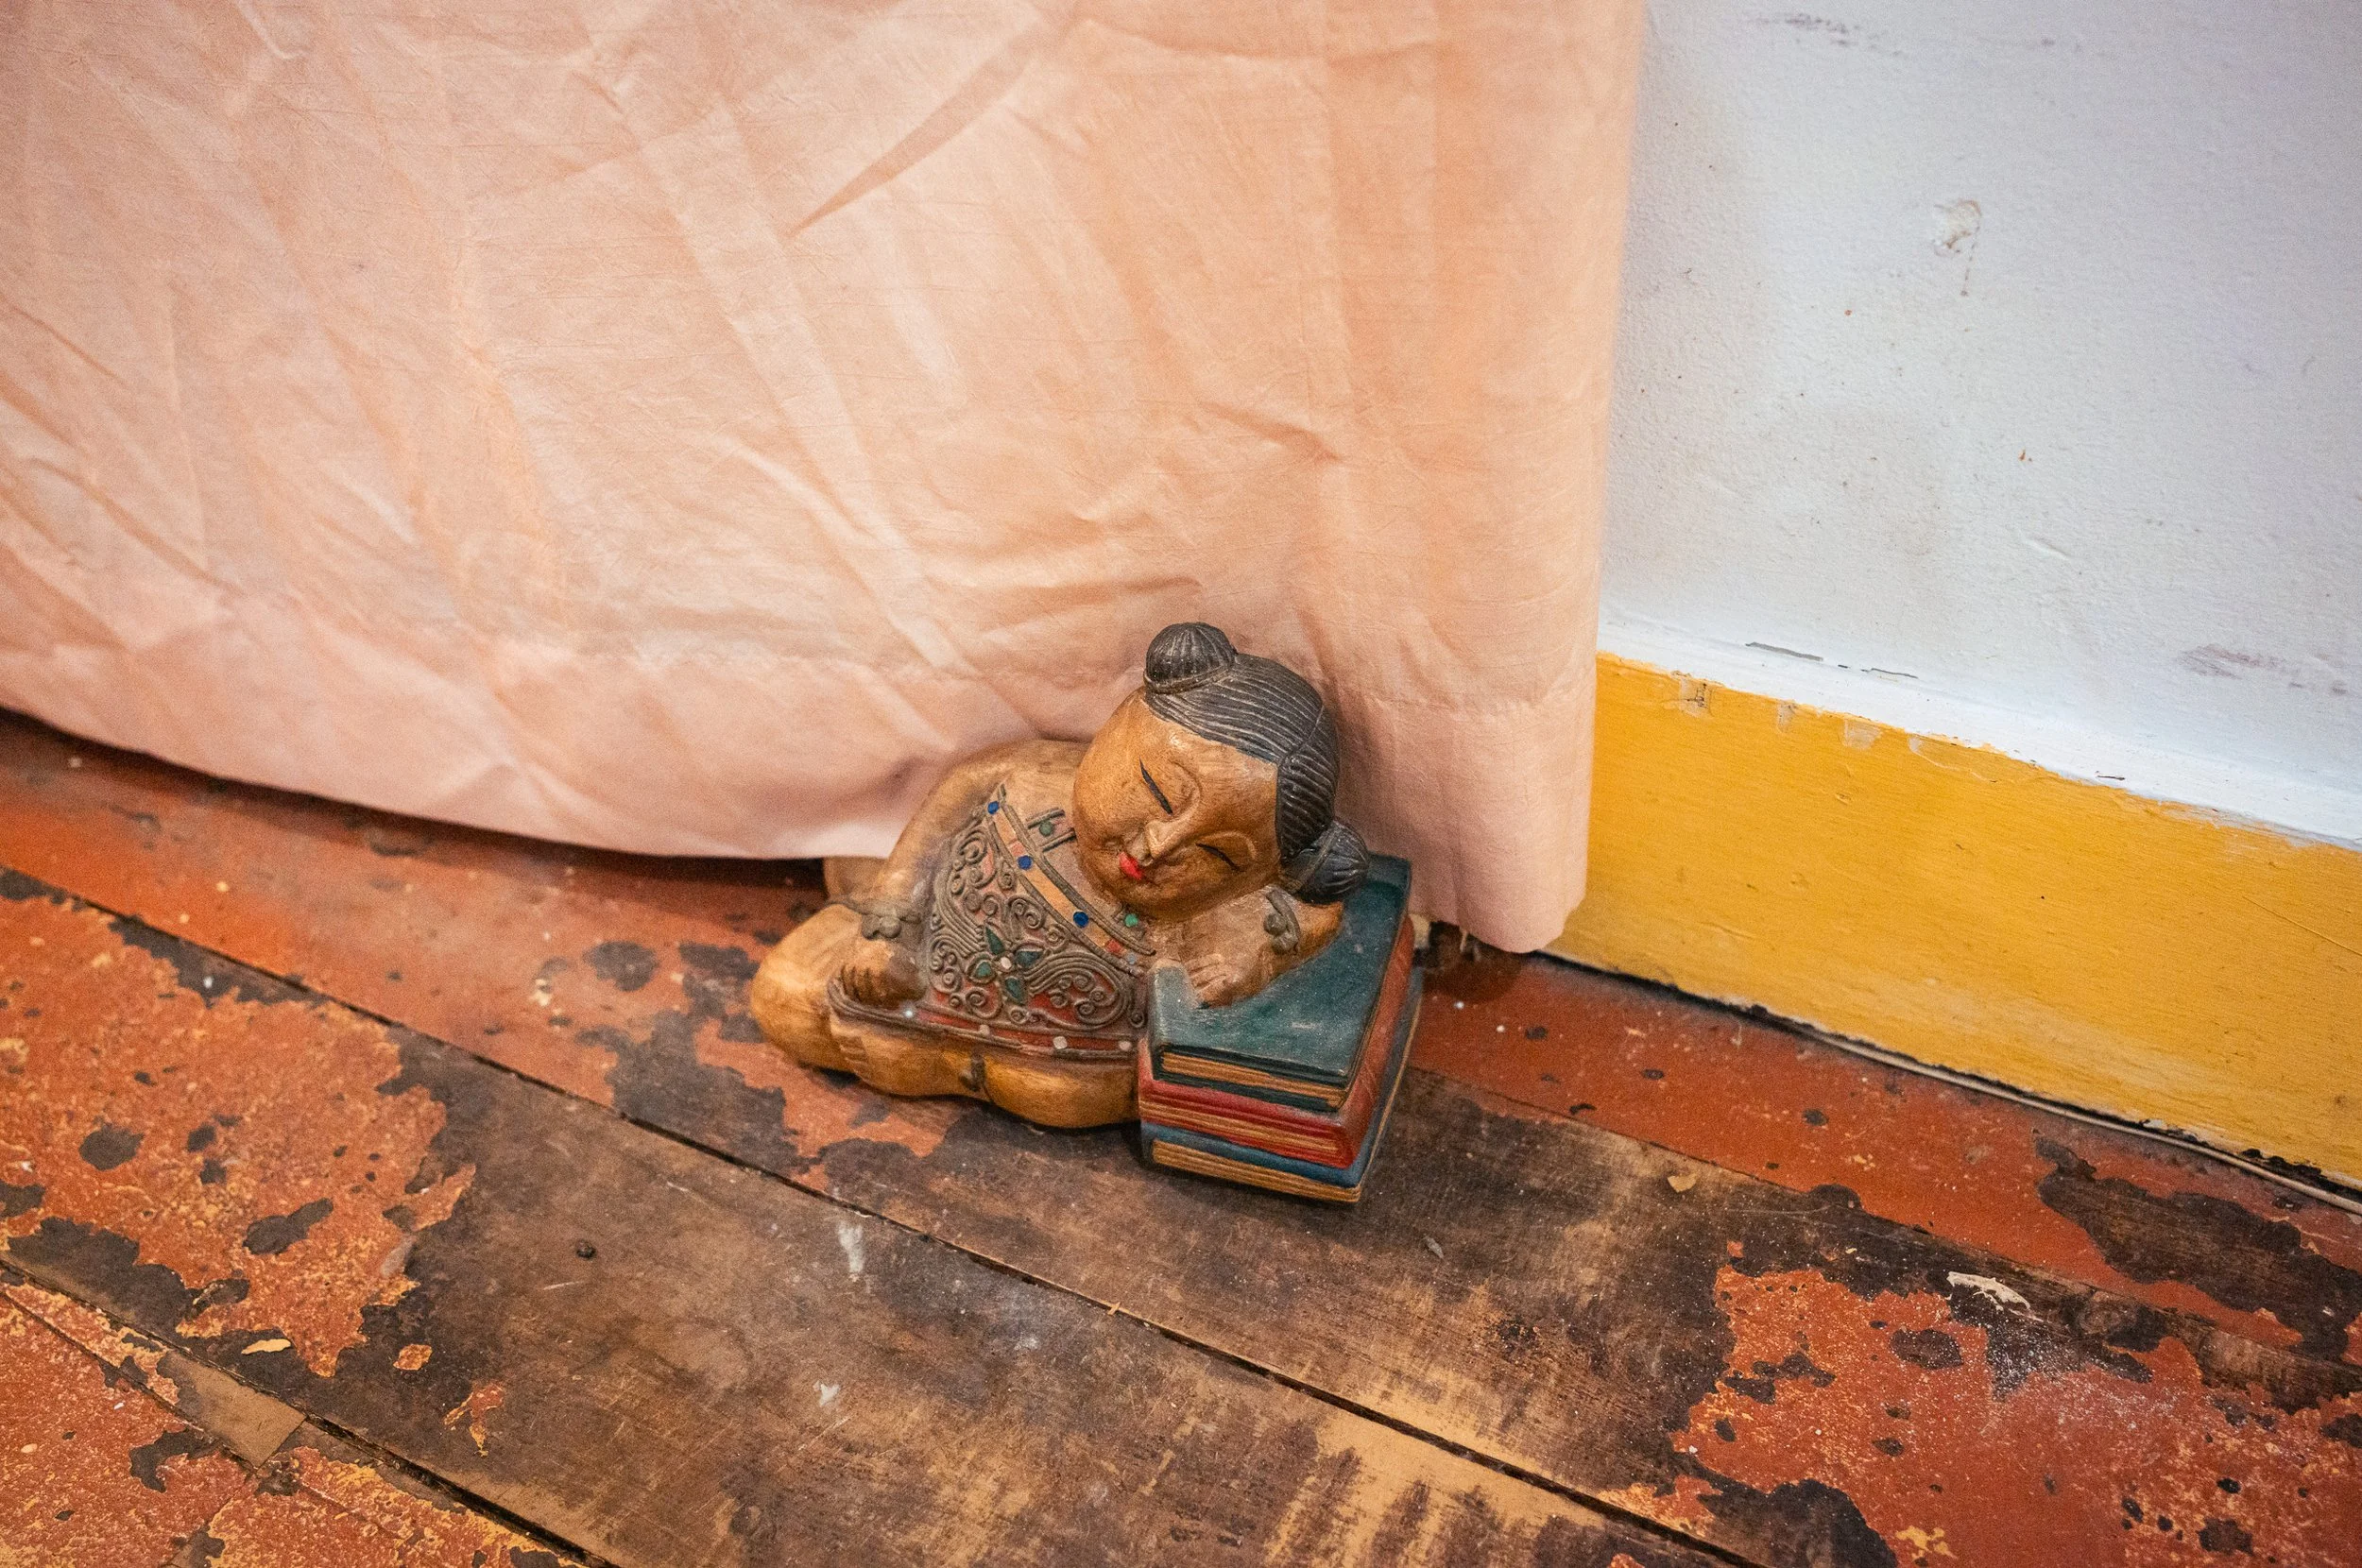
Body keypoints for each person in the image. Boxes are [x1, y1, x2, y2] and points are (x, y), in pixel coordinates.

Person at [750, 622, 1369, 1127]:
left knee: (1066, 1093)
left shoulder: (1228, 900)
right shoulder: (1031, 775)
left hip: (1070, 1049)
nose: (1156, 846)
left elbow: (1320, 909)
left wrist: (1260, 950)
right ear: (1120, 724)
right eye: (1156, 790)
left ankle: (962, 1065)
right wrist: (890, 923)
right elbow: (948, 805)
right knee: (785, 997)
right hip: (923, 966)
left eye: (1217, 856)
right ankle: (942, 1053)